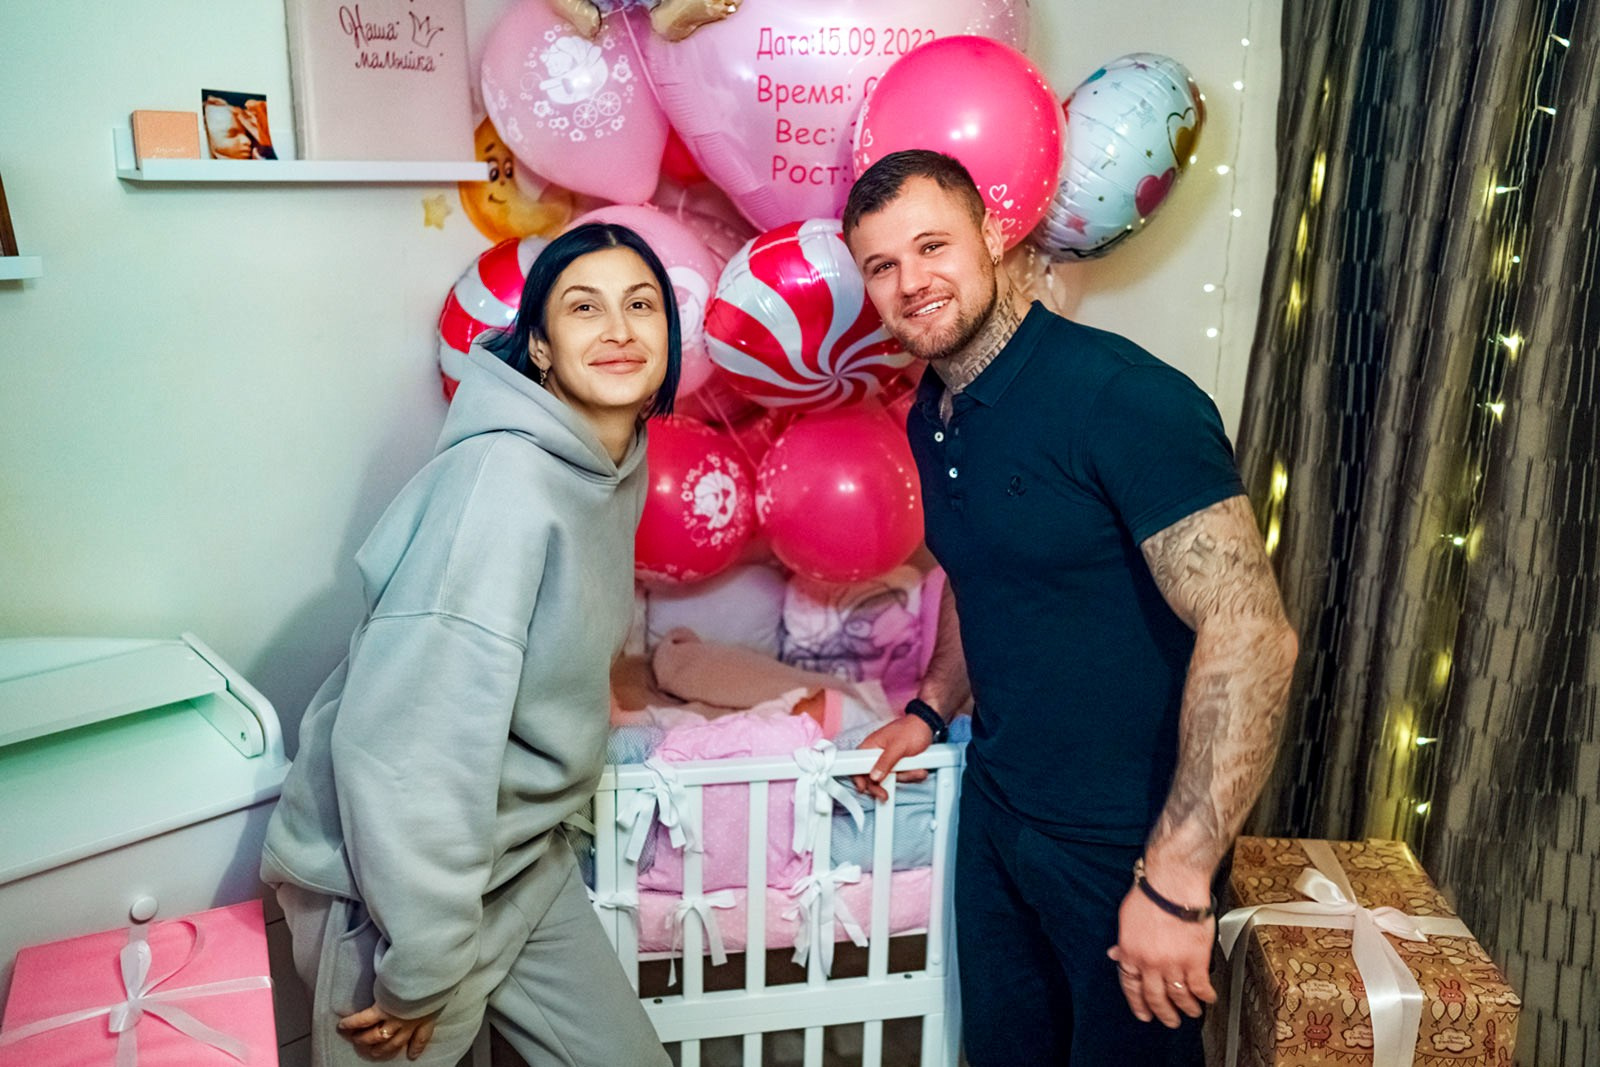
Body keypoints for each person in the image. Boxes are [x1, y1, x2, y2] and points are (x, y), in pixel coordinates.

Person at [841, 150, 1298, 1066]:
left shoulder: (1125, 399)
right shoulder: (932, 412)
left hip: (1123, 845)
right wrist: (932, 706)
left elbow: (1252, 632)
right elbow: (981, 569)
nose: (910, 281)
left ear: (993, 235)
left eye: (932, 246)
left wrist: (1176, 878)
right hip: (1000, 813)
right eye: (881, 265)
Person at [260, 223, 680, 1066]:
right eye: (584, 308)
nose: (619, 328)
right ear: (540, 349)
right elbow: (410, 749)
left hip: (519, 858)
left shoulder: (609, 465)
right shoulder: (502, 485)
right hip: (393, 889)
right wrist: (419, 964)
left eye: (641, 305)